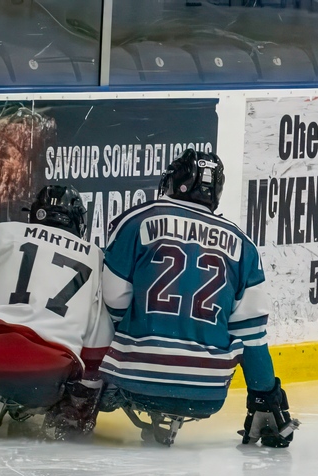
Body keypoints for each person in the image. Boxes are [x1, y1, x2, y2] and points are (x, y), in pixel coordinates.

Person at [98, 149, 299, 446]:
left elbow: (113, 300)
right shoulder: (243, 244)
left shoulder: (138, 220)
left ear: (174, 182)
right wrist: (264, 395)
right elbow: (252, 336)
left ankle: (75, 399)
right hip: (207, 392)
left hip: (135, 381)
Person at [0, 184, 114, 438]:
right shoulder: (95, 256)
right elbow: (98, 346)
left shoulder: (0, 233)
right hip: (52, 373)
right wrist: (85, 397)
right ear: (78, 221)